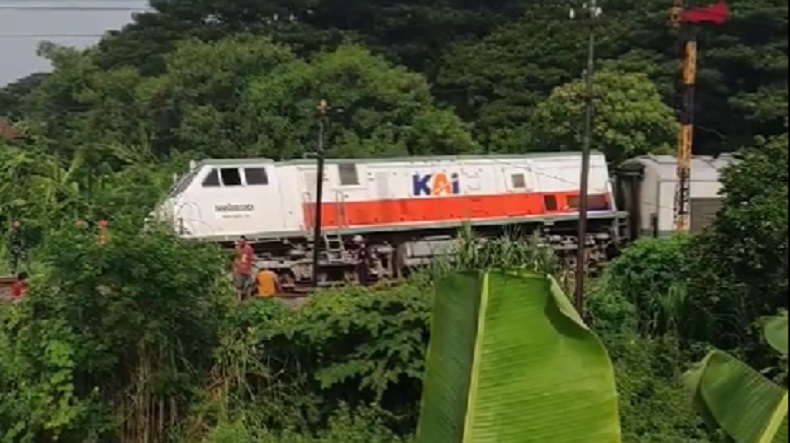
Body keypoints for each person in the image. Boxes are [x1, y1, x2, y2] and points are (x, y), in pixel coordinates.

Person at [234, 236, 255, 301]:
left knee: (249, 285)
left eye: (242, 242)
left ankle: (248, 299)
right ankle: (239, 300)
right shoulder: (237, 248)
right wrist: (235, 268)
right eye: (239, 242)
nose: (240, 243)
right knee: (239, 286)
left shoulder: (249, 249)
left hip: (247, 269)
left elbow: (251, 259)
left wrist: (251, 270)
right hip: (239, 270)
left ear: (245, 242)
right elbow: (236, 258)